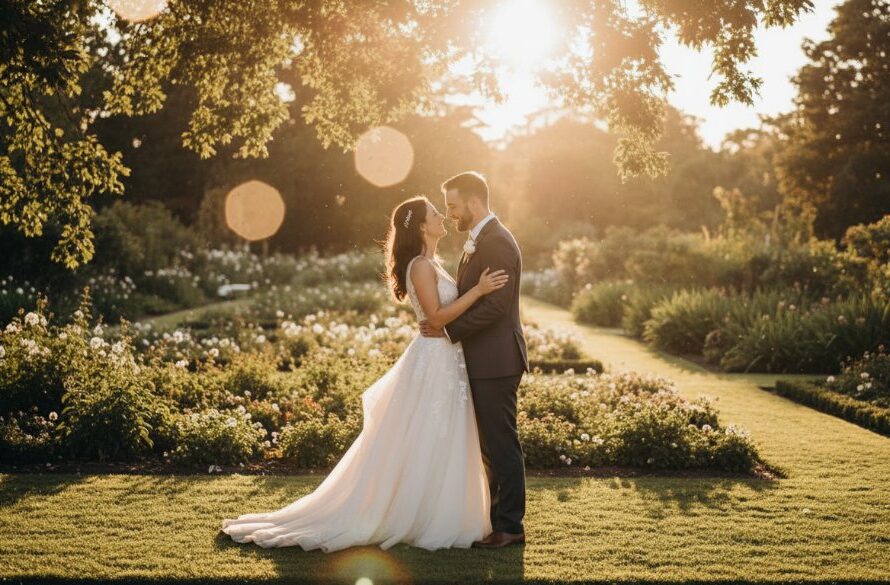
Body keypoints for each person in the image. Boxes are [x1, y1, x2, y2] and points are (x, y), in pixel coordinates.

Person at [220, 194, 509, 552]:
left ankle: (437, 511)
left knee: (438, 437)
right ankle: (420, 516)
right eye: (436, 213)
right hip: (435, 360)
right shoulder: (420, 265)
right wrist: (480, 291)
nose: (443, 217)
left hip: (445, 358)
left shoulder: (431, 262)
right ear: (421, 225)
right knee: (429, 436)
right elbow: (435, 318)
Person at [420, 171, 530, 549]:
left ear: (473, 202)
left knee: (501, 444)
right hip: (485, 359)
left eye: (452, 205)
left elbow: (497, 307)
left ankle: (510, 526)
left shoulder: (497, 241)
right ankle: (499, 521)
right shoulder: (480, 239)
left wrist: (450, 331)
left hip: (497, 360)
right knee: (490, 446)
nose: (449, 213)